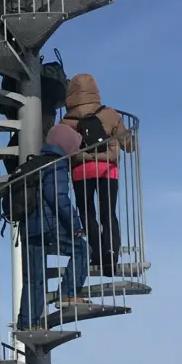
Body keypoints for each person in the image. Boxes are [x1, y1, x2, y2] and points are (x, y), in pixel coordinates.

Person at [15, 124, 89, 330]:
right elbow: (58, 197)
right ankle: (69, 293)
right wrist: (75, 225)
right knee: (82, 249)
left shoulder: (35, 162)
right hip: (49, 224)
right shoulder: (56, 164)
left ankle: (27, 324)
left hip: (28, 227)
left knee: (33, 279)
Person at [60, 72, 134, 277]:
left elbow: (60, 150)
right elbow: (129, 145)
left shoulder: (66, 121)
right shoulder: (109, 114)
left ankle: (95, 253)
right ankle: (111, 255)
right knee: (108, 213)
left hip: (80, 172)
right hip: (107, 170)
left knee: (87, 214)